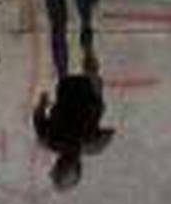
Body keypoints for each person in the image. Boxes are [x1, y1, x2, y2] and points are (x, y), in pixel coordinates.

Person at [33, 63, 114, 191]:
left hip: (85, 87)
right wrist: (42, 103)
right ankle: (84, 60)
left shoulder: (91, 145)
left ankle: (86, 60)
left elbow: (108, 133)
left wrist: (42, 104)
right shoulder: (50, 141)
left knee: (76, 69)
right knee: (66, 70)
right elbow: (38, 117)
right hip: (72, 86)